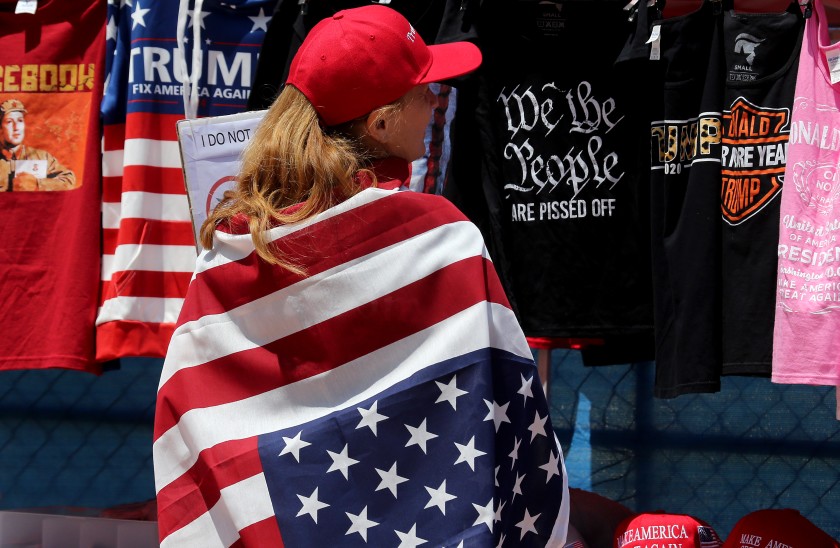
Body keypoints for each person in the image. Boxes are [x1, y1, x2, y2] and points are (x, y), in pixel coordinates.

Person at [154, 5, 571, 547]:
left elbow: (194, 418)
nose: (435, 99)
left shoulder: (230, 252)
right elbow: (506, 420)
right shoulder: (440, 238)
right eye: (424, 90)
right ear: (380, 122)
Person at [0, 98, 76, 192]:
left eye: (20, 120)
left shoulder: (42, 157)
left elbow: (69, 181)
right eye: (9, 122)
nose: (16, 127)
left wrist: (38, 184)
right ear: (1, 128)